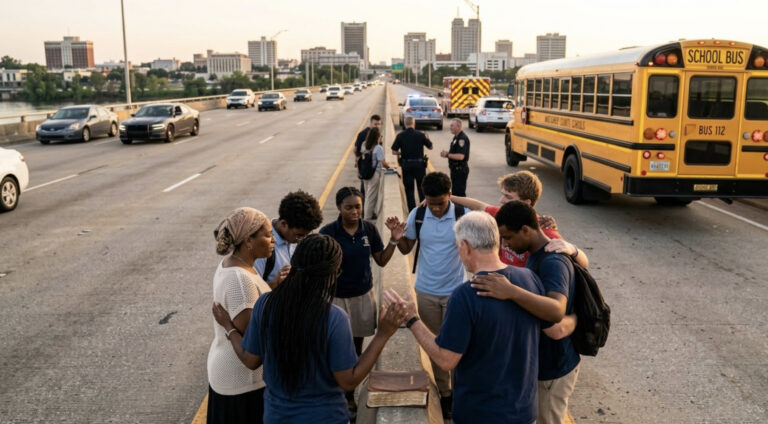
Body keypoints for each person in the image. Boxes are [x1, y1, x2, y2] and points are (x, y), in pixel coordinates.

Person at [212, 234, 408, 424]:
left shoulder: (266, 304)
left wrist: (229, 327)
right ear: (333, 275)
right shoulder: (334, 318)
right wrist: (383, 334)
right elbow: (348, 381)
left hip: (276, 417)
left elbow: (250, 360)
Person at [383, 211, 547, 424]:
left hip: (480, 414)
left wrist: (412, 319)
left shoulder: (465, 295)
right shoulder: (529, 278)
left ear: (466, 246)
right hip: (524, 411)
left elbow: (446, 360)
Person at [485, 201, 581, 424]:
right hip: (540, 365)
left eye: (508, 237)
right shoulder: (533, 253)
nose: (506, 244)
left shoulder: (552, 262)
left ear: (526, 230)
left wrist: (511, 292)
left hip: (553, 368)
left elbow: (556, 310)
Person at [319, 186, 405, 415]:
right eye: (349, 208)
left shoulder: (368, 229)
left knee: (355, 349)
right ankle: (336, 392)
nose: (354, 211)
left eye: (358, 206)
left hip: (361, 297)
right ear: (339, 208)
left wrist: (394, 241)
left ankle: (349, 395)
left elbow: (382, 261)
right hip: (336, 299)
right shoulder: (328, 232)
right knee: (334, 347)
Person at [389, 171, 464, 419]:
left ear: (450, 196)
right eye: (431, 204)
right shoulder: (418, 214)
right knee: (437, 345)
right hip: (426, 291)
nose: (436, 209)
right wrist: (397, 238)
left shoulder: (463, 216)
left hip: (457, 292)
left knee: (459, 345)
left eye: (441, 204)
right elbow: (406, 248)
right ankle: (446, 395)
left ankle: (462, 391)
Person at [207, 207, 275, 424]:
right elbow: (251, 345)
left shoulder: (235, 266)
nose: (273, 240)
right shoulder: (240, 280)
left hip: (231, 376)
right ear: (248, 240)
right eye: (267, 235)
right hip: (241, 383)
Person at [450, 170, 589, 268]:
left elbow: (581, 264)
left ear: (526, 202)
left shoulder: (544, 231)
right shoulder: (503, 215)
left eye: (508, 197)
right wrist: (448, 197)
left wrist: (573, 249)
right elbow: (479, 205)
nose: (501, 200)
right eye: (503, 194)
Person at [254, 190, 323, 287]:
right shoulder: (261, 246)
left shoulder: (294, 238)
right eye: (299, 235)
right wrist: (276, 283)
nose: (302, 240)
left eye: (306, 235)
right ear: (284, 224)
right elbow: (252, 291)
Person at [391, 115, 433, 211]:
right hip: (419, 166)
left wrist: (401, 152)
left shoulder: (400, 135)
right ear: (414, 124)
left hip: (407, 166)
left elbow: (394, 151)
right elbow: (430, 147)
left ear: (405, 124)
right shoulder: (421, 134)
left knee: (409, 190)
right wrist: (428, 138)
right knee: (421, 189)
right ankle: (423, 210)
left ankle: (412, 211)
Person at [359, 128, 392, 220]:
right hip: (374, 174)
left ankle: (367, 214)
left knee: (367, 195)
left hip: (365, 173)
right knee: (371, 197)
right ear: (377, 137)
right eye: (380, 136)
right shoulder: (378, 148)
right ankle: (367, 218)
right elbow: (383, 163)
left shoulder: (364, 145)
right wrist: (390, 168)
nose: (381, 138)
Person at [440, 118, 470, 197]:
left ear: (458, 126)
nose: (450, 127)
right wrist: (448, 153)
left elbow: (461, 156)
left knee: (459, 195)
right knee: (456, 192)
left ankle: (461, 209)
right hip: (455, 170)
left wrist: (447, 155)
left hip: (460, 170)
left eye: (452, 126)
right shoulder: (456, 137)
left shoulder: (461, 139)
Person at [355, 115, 383, 197]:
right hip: (365, 165)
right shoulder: (363, 134)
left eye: (379, 124)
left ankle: (364, 206)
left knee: (368, 190)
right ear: (370, 123)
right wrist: (357, 162)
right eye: (375, 124)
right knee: (364, 189)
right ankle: (363, 206)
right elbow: (356, 149)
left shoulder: (378, 134)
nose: (377, 126)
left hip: (371, 167)